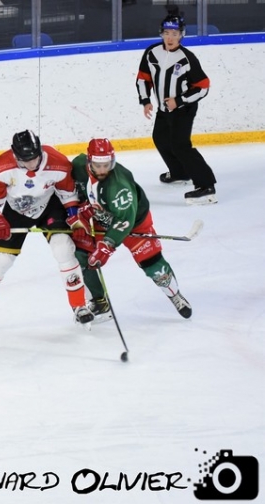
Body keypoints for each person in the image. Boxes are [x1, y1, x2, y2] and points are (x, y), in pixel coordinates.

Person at [0, 130, 94, 330]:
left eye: (34, 158)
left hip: (50, 207)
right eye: (25, 161)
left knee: (63, 248)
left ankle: (79, 306)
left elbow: (68, 194)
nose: (32, 164)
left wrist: (75, 221)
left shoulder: (58, 162)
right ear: (15, 155)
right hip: (16, 211)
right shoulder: (2, 167)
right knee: (1, 261)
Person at [68, 138, 192, 320]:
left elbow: (125, 221)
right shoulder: (78, 165)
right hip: (102, 220)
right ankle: (100, 302)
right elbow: (70, 186)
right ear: (89, 161)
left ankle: (175, 295)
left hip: (134, 223)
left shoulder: (119, 186)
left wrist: (106, 247)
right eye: (98, 165)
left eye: (107, 165)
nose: (103, 170)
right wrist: (80, 209)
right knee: (81, 255)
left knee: (153, 266)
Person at [136, 8, 217, 205]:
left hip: (183, 110)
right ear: (161, 33)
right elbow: (143, 78)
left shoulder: (187, 58)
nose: (170, 37)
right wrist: (146, 101)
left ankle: (206, 186)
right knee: (161, 139)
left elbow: (203, 87)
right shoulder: (151, 52)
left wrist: (178, 101)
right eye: (166, 33)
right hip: (164, 110)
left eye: (174, 34)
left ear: (182, 35)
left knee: (181, 146)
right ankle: (179, 173)